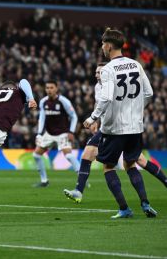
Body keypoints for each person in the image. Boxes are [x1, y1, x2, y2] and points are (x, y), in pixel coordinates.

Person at [64, 63, 167, 203]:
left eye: (100, 72)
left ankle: (81, 192)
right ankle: (79, 191)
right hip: (115, 127)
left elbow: (110, 102)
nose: (97, 75)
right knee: (140, 160)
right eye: (96, 72)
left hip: (114, 128)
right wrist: (96, 121)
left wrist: (93, 118)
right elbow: (98, 104)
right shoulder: (97, 86)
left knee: (98, 160)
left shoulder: (112, 85)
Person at [84, 28, 156, 219]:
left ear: (108, 46)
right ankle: (145, 203)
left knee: (109, 167)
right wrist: (135, 109)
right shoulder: (136, 65)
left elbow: (106, 98)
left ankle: (124, 209)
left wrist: (92, 118)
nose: (101, 47)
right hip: (135, 126)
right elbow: (149, 94)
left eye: (102, 44)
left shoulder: (107, 69)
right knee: (130, 164)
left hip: (114, 128)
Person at [32, 80, 80, 187]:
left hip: (62, 133)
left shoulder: (64, 101)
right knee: (36, 155)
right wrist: (39, 134)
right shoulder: (43, 101)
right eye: (47, 88)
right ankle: (44, 181)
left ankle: (82, 179)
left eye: (51, 88)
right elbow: (42, 118)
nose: (49, 90)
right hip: (48, 134)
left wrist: (71, 131)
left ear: (56, 88)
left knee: (69, 156)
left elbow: (74, 116)